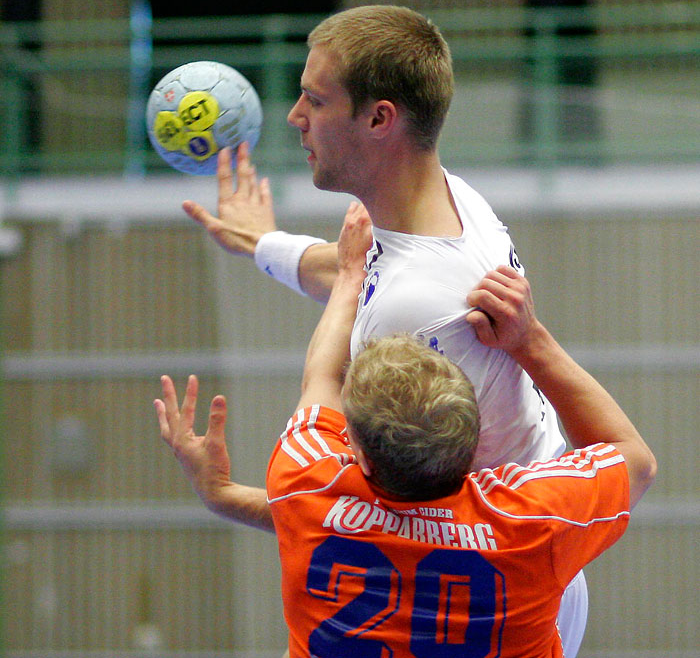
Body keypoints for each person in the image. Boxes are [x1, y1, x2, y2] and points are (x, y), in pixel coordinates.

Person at [179, 5, 588, 653]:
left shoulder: (412, 314)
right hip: (526, 555)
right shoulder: (452, 199)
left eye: (315, 99)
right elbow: (357, 267)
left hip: (492, 588)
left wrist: (226, 497)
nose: (294, 116)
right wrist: (264, 245)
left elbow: (351, 519)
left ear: (378, 118)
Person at [155, 203, 657, 657]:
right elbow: (635, 459)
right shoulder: (528, 527)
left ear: (360, 457)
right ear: (472, 446)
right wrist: (531, 341)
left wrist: (352, 274)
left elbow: (322, 379)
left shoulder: (306, 483)